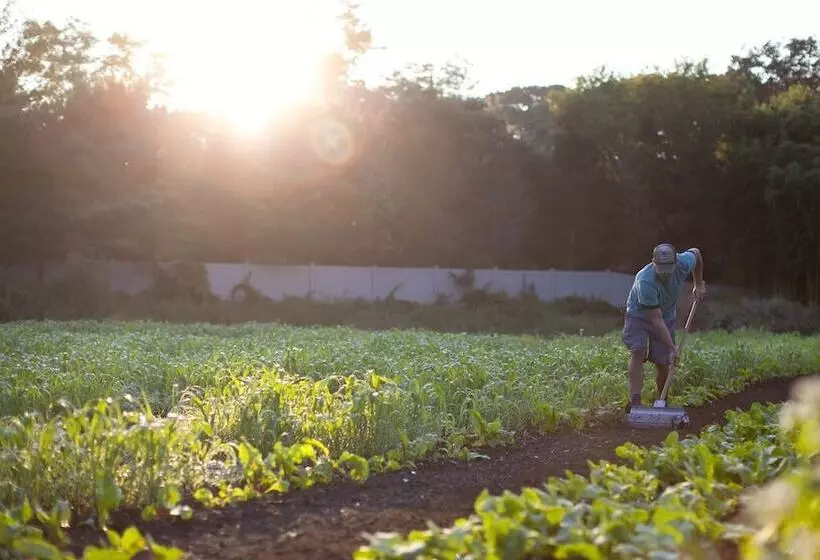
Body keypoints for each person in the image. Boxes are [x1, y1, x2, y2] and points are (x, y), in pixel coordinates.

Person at [622, 243, 706, 410]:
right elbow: (655, 320)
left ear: (675, 263)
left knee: (663, 361)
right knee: (638, 350)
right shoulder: (645, 281)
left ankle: (662, 401)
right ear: (654, 264)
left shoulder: (683, 262)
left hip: (666, 316)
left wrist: (698, 282)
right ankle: (635, 401)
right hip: (639, 315)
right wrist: (672, 347)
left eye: (669, 268)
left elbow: (696, 253)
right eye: (661, 269)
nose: (666, 274)